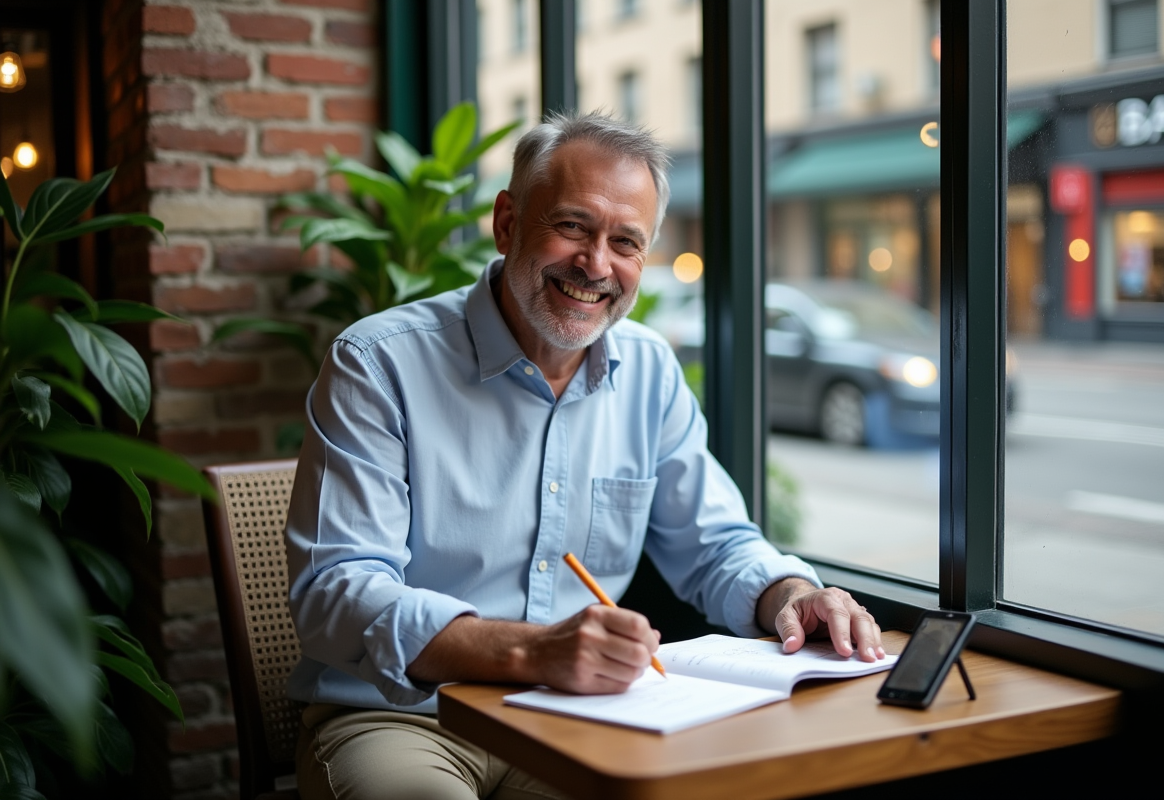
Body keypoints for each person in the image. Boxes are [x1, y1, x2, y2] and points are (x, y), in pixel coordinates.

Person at [286, 111, 884, 800]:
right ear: (508, 223)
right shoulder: (378, 363)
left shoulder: (651, 371)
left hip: (581, 719)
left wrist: (794, 595)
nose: (596, 265)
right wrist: (533, 651)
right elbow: (336, 592)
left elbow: (717, 544)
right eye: (572, 226)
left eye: (625, 241)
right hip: (401, 717)